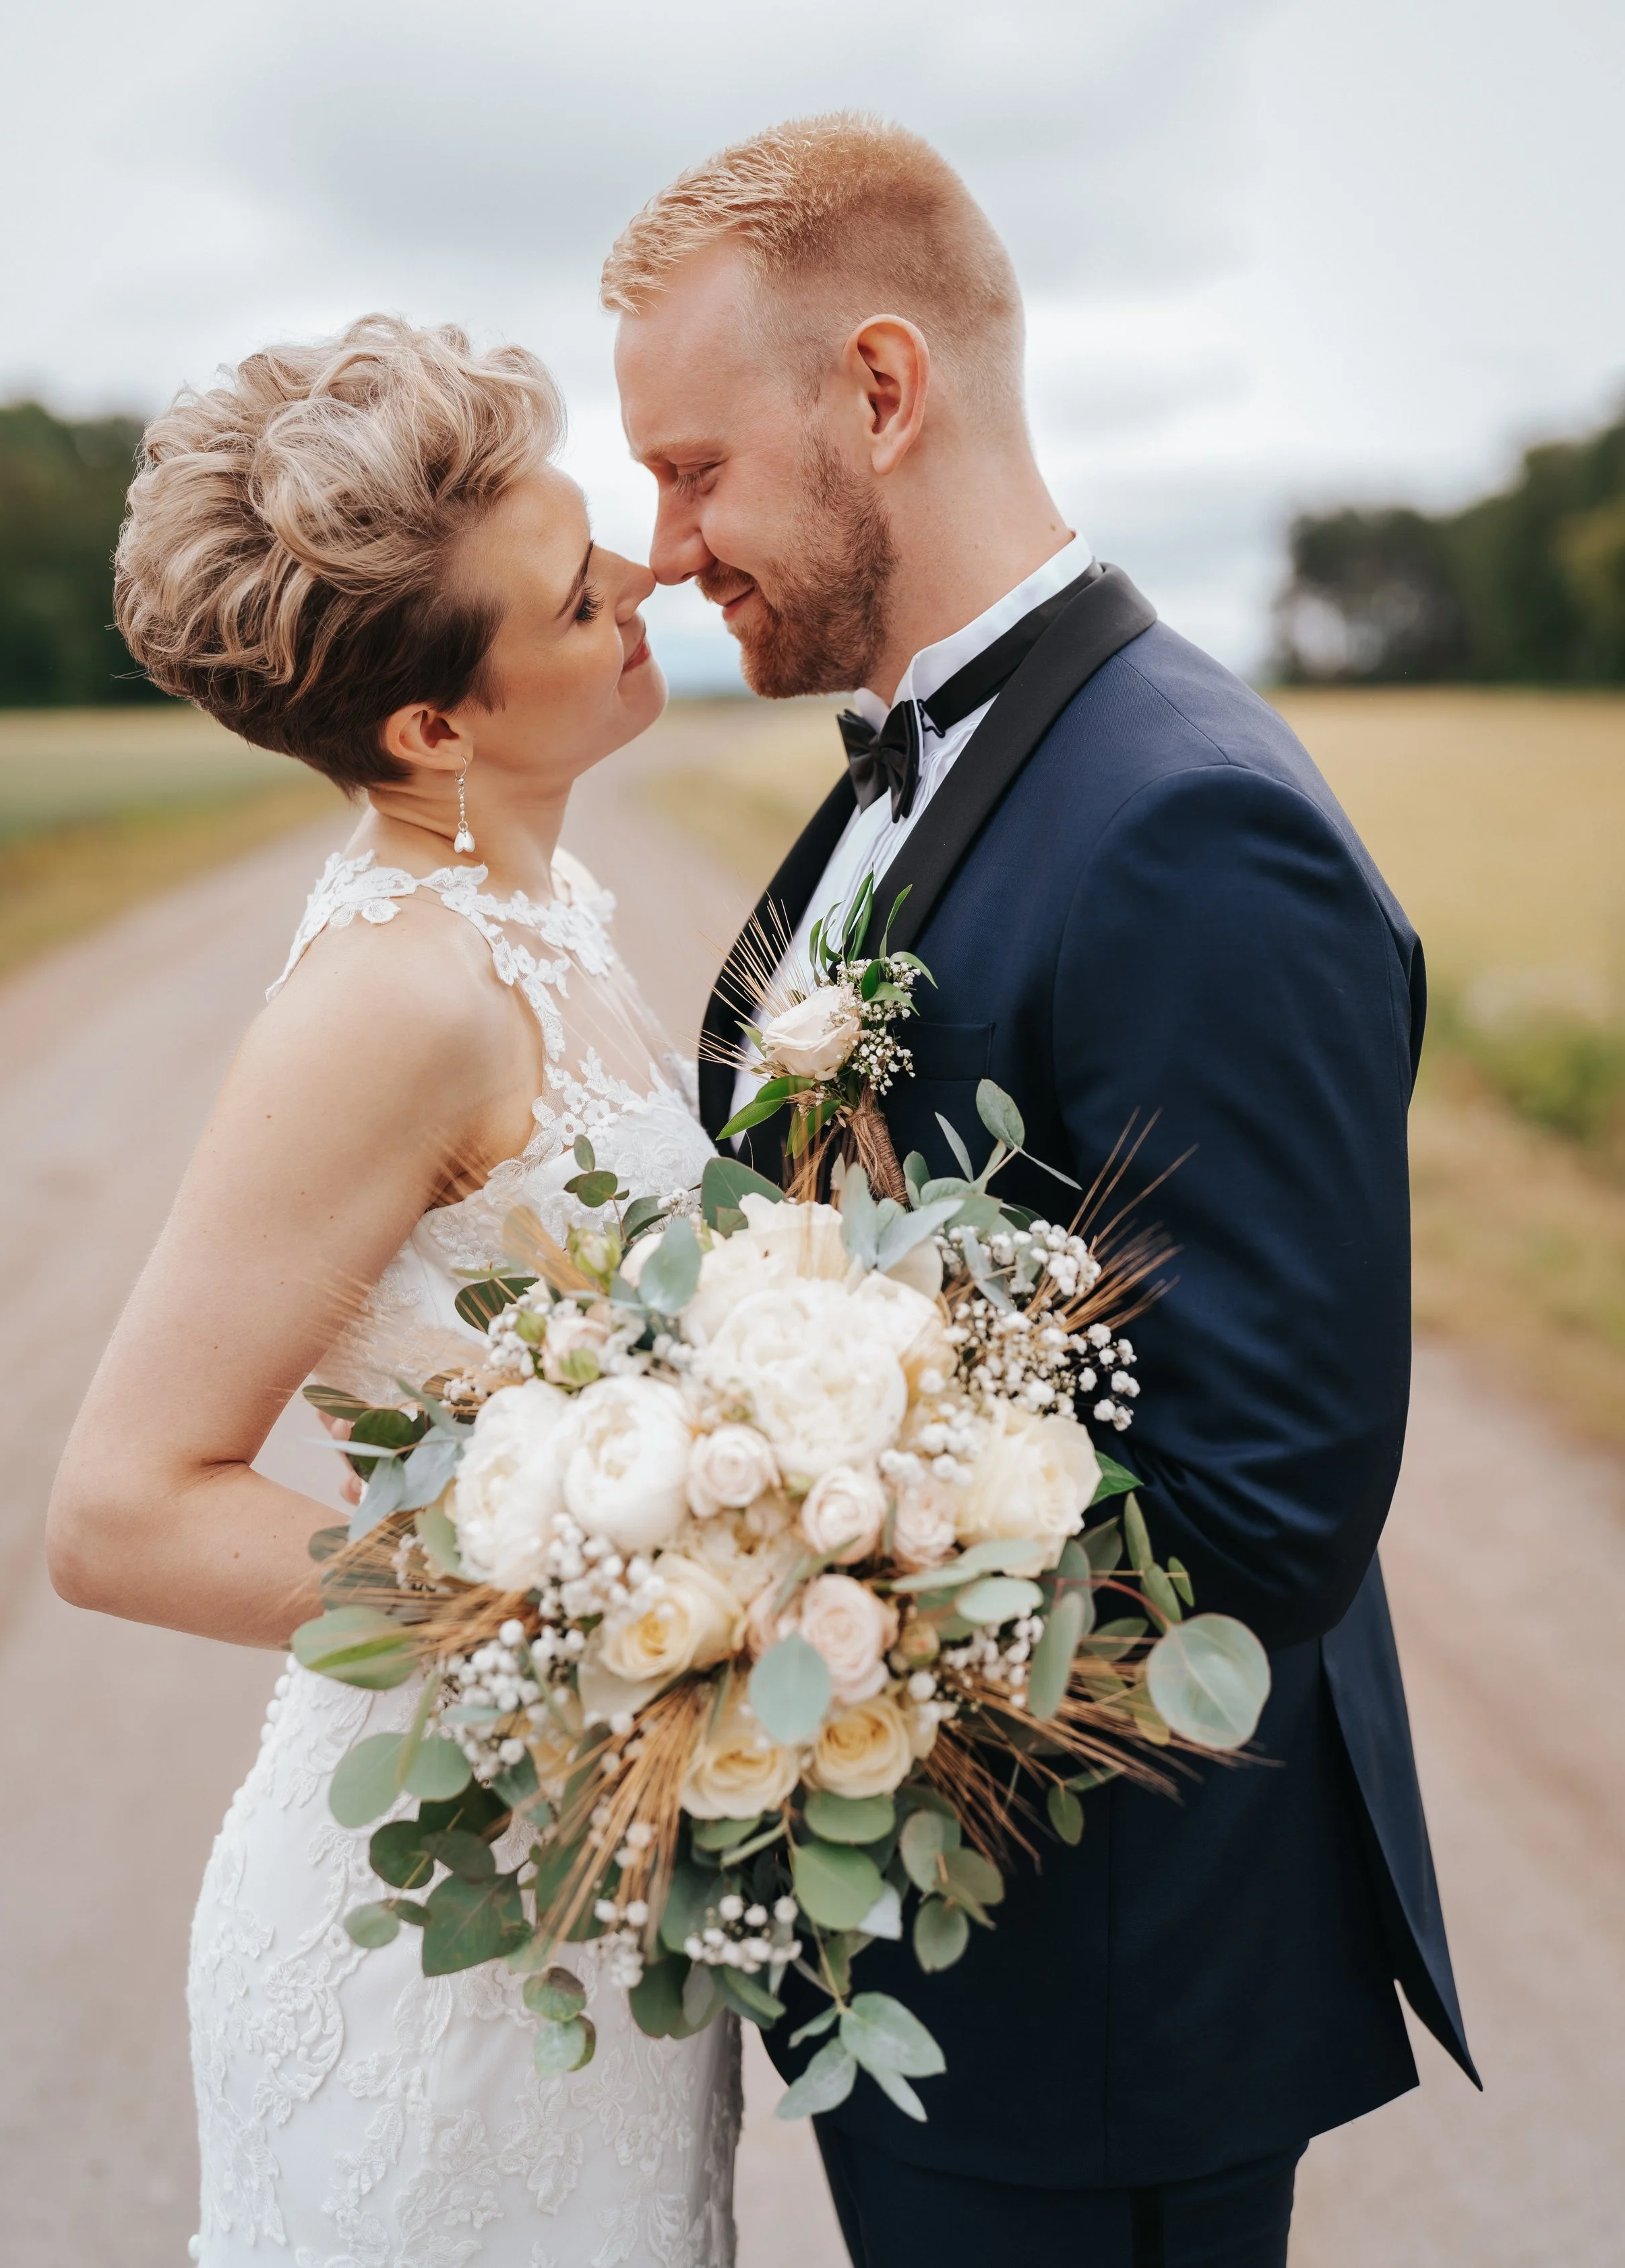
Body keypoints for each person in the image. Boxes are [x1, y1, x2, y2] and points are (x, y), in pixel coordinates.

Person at [605, 114, 1477, 2268]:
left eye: (695, 465)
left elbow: (1263, 1503)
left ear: (879, 394)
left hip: (1101, 1993)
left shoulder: (1185, 822)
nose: (659, 543)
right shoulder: (929, 776)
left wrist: (793, 1635)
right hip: (930, 1963)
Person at [47, 317, 739, 2267]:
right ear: (431, 728)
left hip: (582, 1886)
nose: (646, 583)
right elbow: (119, 1508)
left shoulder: (539, 914)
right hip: (437, 1943)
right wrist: (573, 1614)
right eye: (577, 592)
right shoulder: (392, 997)